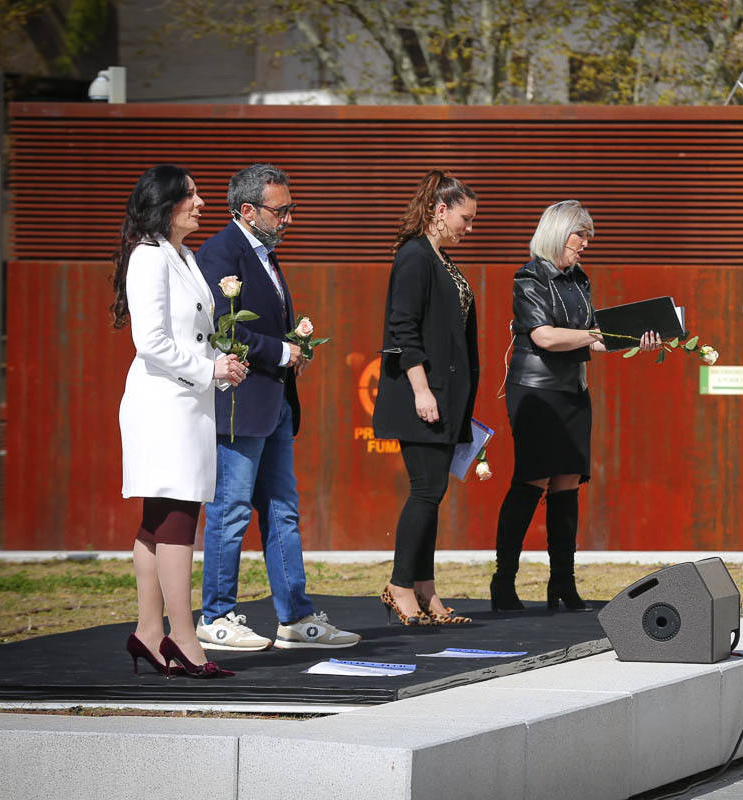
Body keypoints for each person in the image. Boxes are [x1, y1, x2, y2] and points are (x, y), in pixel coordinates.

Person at [195, 164, 360, 651]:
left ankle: (295, 617)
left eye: (290, 208)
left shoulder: (263, 253)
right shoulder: (221, 253)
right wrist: (281, 351)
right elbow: (222, 328)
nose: (288, 218)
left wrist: (292, 349)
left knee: (284, 512)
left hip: (275, 402)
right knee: (230, 514)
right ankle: (216, 616)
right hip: (241, 404)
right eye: (280, 210)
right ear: (248, 211)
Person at [488, 200, 661, 612]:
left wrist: (635, 341)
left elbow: (594, 340)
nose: (586, 244)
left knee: (567, 484)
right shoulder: (529, 277)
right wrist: (594, 335)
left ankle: (562, 584)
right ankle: (503, 582)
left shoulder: (580, 280)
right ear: (557, 231)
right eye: (580, 235)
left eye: (589, 237)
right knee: (533, 480)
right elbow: (545, 337)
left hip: (573, 391)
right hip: (535, 391)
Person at [113, 165, 247, 678]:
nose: (201, 201)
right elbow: (150, 342)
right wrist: (208, 367)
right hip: (163, 404)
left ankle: (149, 632)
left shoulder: (182, 255)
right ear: (165, 202)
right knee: (177, 517)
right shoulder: (149, 257)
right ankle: (183, 638)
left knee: (157, 518)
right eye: (191, 194)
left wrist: (222, 362)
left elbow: (189, 334)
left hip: (184, 400)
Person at [373, 169, 481, 626]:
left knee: (432, 493)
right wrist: (421, 389)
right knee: (426, 491)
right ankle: (399, 586)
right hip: (422, 396)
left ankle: (425, 590)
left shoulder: (441, 260)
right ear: (440, 211)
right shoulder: (415, 257)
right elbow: (403, 329)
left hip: (446, 398)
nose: (469, 228)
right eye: (466, 218)